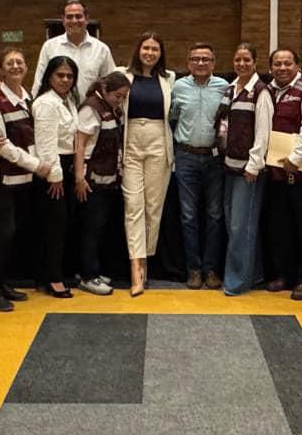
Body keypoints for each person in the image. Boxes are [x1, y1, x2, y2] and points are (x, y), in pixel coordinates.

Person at [0, 47, 52, 312]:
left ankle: (3, 283)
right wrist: (36, 165)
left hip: (24, 179)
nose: (15, 66)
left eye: (19, 62)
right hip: (2, 180)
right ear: (1, 69)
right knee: (4, 232)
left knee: (15, 234)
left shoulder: (28, 97)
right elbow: (1, 145)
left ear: (26, 67)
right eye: (9, 63)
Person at [261, 48, 302, 300]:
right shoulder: (267, 91)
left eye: (288, 63)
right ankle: (284, 275)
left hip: (301, 174)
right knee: (279, 227)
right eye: (277, 64)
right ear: (270, 68)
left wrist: (295, 159)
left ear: (298, 65)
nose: (282, 68)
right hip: (274, 173)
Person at [119, 32, 175, 296]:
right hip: (131, 143)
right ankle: (135, 268)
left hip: (158, 144)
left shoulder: (169, 79)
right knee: (133, 206)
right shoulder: (123, 75)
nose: (150, 53)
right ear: (138, 50)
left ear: (160, 53)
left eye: (155, 49)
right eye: (146, 48)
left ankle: (145, 261)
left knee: (153, 207)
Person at [170, 43, 230, 289]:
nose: (201, 63)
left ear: (214, 63)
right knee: (188, 215)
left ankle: (211, 269)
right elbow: (172, 118)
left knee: (215, 215)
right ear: (188, 62)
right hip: (186, 156)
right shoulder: (178, 87)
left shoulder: (224, 87)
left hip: (215, 159)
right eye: (196, 59)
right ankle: (193, 269)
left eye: (206, 59)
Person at [217, 43, 271, 296]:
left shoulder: (260, 92)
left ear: (255, 62)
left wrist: (254, 165)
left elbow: (263, 132)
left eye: (246, 60)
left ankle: (237, 281)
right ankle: (255, 273)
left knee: (241, 226)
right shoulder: (230, 89)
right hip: (229, 167)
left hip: (248, 171)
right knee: (235, 223)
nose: (241, 64)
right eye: (238, 59)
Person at [75, 72, 130, 296]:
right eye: (118, 96)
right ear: (105, 90)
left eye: (124, 97)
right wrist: (79, 177)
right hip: (91, 179)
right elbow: (80, 145)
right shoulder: (91, 108)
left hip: (109, 178)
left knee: (101, 227)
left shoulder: (113, 109)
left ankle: (92, 269)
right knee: (91, 227)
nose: (120, 100)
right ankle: (87, 276)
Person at [32, 55, 81, 298]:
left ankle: (54, 272)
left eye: (69, 76)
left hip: (67, 166)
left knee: (63, 224)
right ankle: (52, 278)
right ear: (49, 76)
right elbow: (46, 144)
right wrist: (55, 176)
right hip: (52, 170)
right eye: (60, 75)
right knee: (54, 225)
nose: (65, 80)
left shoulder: (68, 100)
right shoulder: (46, 103)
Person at [33, 0, 116, 101]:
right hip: (57, 109)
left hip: (89, 109)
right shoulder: (49, 47)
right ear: (63, 20)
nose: (74, 21)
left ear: (87, 19)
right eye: (69, 17)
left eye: (78, 16)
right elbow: (39, 82)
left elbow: (111, 85)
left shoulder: (102, 50)